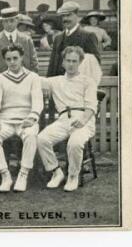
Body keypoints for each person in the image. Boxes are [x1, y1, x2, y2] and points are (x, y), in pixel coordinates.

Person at [38, 46, 97, 192]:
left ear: (80, 63)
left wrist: (83, 121)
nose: (71, 64)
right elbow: (32, 80)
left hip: (84, 120)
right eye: (68, 60)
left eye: (74, 61)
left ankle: (72, 176)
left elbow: (91, 107)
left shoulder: (88, 81)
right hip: (64, 120)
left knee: (75, 143)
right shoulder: (55, 81)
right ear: (63, 62)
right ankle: (56, 172)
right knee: (41, 139)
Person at [0, 44, 43, 192]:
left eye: (15, 58)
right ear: (5, 60)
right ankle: (5, 175)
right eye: (8, 59)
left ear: (22, 58)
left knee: (31, 135)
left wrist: (32, 117)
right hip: (5, 121)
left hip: (26, 120)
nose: (12, 62)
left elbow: (37, 102)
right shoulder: (0, 78)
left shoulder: (33, 77)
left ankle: (23, 174)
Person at [47, 1, 100, 77]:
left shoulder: (88, 36)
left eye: (68, 15)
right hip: (58, 84)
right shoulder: (58, 38)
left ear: (77, 16)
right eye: (63, 16)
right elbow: (52, 65)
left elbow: (94, 64)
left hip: (78, 84)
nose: (65, 19)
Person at [0, 7, 39, 83]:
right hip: (2, 82)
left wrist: (30, 81)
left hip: (24, 82)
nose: (9, 24)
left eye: (12, 21)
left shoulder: (26, 39)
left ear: (17, 21)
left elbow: (34, 63)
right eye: (6, 21)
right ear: (2, 22)